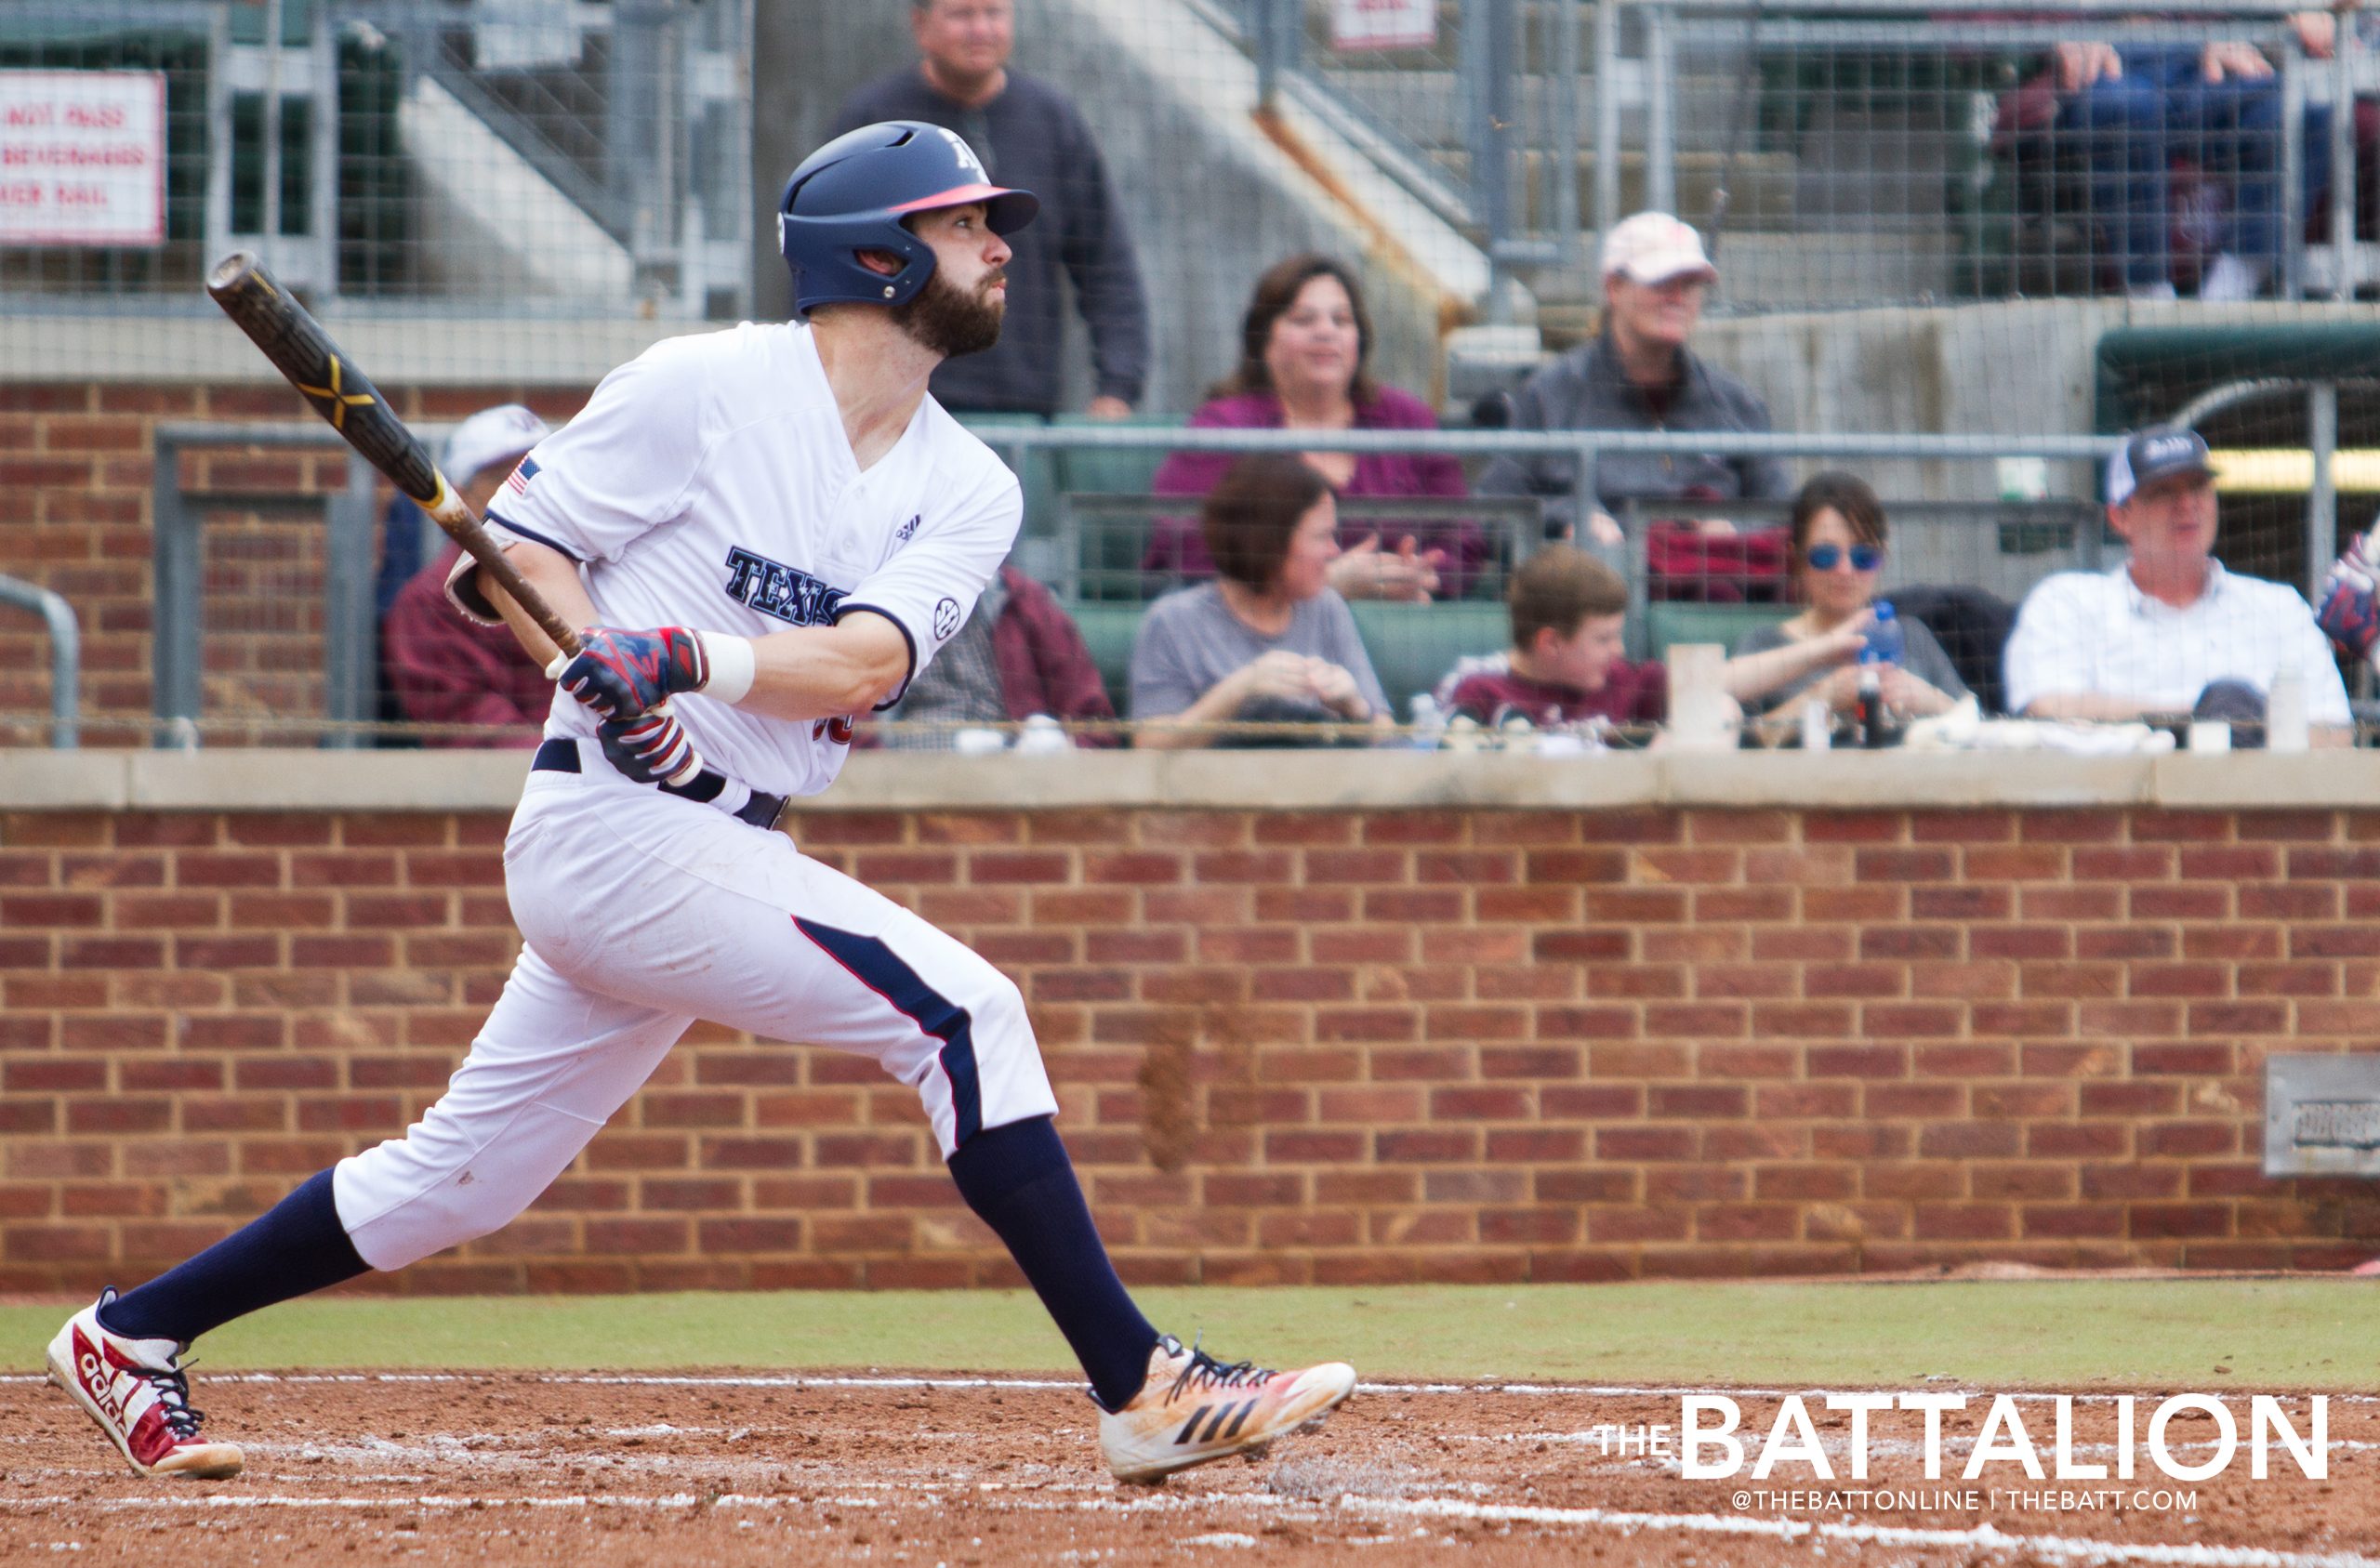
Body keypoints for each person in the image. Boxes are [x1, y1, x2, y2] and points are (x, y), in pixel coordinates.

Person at [46, 122, 1351, 1490]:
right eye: (966, 223)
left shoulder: (970, 482)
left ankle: (131, 1331)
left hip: (723, 834)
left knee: (467, 1177)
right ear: (878, 249)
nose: (999, 245)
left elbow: (865, 660)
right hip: (609, 823)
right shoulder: (703, 385)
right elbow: (516, 558)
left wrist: (682, 660)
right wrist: (592, 648)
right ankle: (1140, 1383)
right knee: (967, 1012)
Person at [831, 0, 1146, 418]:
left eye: (994, 12)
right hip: (900, 403)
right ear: (921, 25)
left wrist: (1118, 386)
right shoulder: (875, 124)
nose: (981, 29)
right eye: (963, 14)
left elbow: (1106, 263)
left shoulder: (1054, 122)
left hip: (1026, 409)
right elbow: (829, 258)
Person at [1143, 256, 1474, 600]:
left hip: (1403, 624)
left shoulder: (1408, 418)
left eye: (1341, 320)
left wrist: (1420, 576)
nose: (1326, 331)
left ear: (1359, 340)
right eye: (1303, 319)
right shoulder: (1221, 428)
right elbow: (1183, 547)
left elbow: (1463, 535)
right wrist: (1322, 582)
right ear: (1264, 341)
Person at [1994, 15, 2373, 300]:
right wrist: (2067, 33)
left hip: (2205, 58)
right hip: (2109, 59)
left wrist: (2250, 30)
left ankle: (2226, 305)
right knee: (2125, 109)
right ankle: (2150, 306)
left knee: (2310, 112)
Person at [2004, 428, 2351, 737]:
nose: (2187, 505)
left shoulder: (2279, 606)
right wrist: (2198, 720)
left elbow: (2337, 734)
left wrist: (2251, 731)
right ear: (2120, 517)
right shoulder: (2067, 602)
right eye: (2163, 492)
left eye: (2199, 487)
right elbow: (2044, 704)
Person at [1478, 212, 1791, 550]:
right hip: (1592, 595)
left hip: (1712, 592)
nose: (1678, 297)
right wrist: (1570, 516)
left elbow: (1786, 512)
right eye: (1661, 282)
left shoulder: (1736, 402)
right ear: (1614, 287)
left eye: (1689, 284)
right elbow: (1494, 510)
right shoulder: (1548, 394)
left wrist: (1733, 529)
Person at [1130, 454, 1391, 747]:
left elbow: (1389, 741)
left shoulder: (1327, 608)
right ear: (1270, 542)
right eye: (1322, 537)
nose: (1334, 551)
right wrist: (1241, 689)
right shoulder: (1174, 620)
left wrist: (1357, 708)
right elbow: (1149, 747)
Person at [1727, 473, 1969, 720]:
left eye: (1863, 557)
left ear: (1882, 557)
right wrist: (1820, 699)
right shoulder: (1764, 644)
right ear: (1797, 557)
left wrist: (1928, 699)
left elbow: (1975, 723)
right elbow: (1743, 741)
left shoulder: (1912, 635)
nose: (1844, 571)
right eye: (1825, 556)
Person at [380, 404, 556, 745]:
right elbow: (470, 723)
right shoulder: (428, 603)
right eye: (506, 477)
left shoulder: (595, 567)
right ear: (461, 497)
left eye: (536, 471)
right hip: (522, 787)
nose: (529, 488)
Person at [875, 561, 1118, 747]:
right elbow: (852, 733)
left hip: (1014, 782)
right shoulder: (877, 606)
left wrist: (1058, 749)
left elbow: (1094, 724)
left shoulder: (1026, 601)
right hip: (910, 777)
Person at [1437, 546, 1667, 729]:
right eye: (1604, 639)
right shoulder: (1481, 696)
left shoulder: (1632, 682)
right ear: (1551, 643)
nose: (1619, 650)